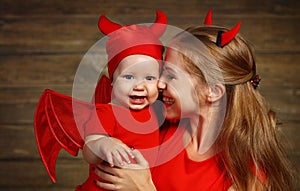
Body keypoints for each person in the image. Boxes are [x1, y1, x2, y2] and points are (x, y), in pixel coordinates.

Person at [91, 10, 295, 191]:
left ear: (212, 92)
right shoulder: (152, 123)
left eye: (170, 75)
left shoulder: (247, 177)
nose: (159, 84)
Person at [75, 11, 168, 191]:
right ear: (112, 80)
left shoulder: (157, 108)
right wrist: (103, 144)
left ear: (159, 82)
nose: (139, 86)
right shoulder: (107, 112)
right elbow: (89, 151)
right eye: (129, 77)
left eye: (149, 78)